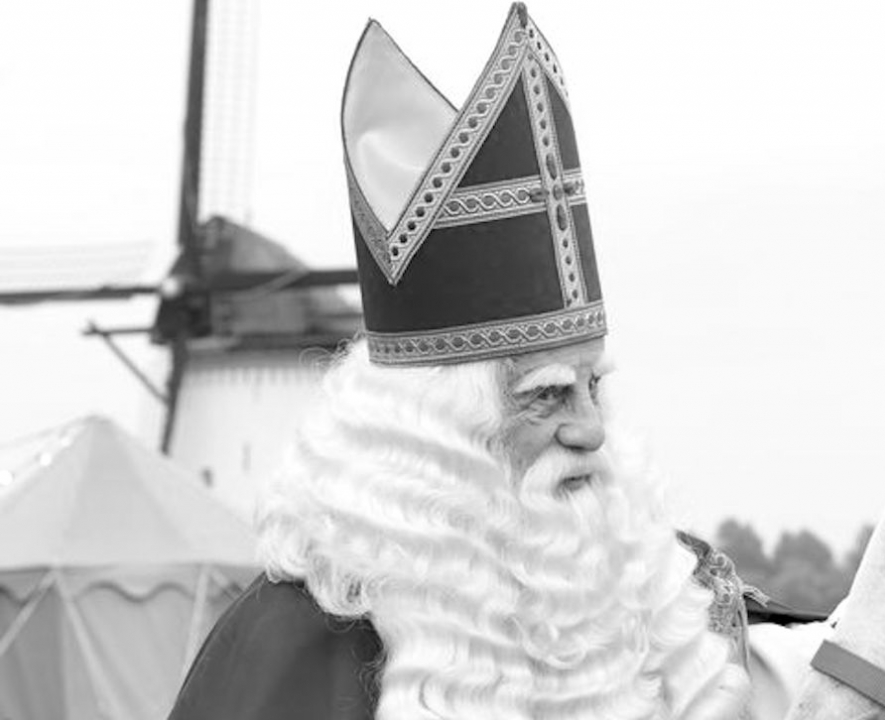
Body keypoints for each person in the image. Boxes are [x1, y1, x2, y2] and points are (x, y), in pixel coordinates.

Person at [168, 5, 818, 720]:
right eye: (546, 398)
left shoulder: (672, 610)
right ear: (434, 439)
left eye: (591, 387)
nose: (592, 431)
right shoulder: (287, 647)